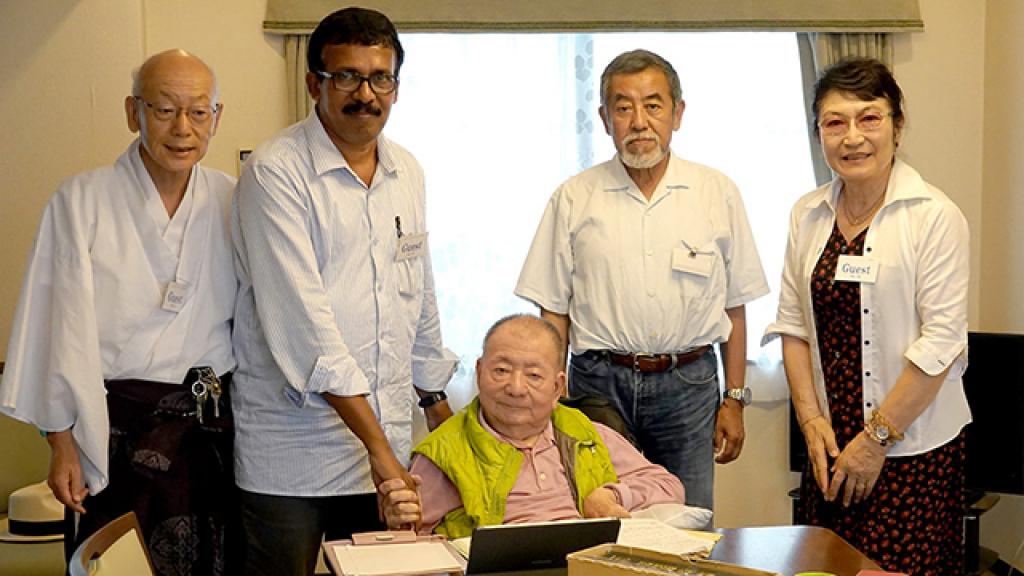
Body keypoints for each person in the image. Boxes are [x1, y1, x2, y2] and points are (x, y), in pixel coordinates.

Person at [230, 7, 456, 575]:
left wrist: (437, 406)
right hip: (294, 457)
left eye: (381, 78)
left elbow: (418, 294)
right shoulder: (275, 172)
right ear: (315, 83)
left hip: (385, 449)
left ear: (397, 88)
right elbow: (308, 332)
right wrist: (380, 451)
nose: (366, 94)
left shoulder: (408, 170)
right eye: (347, 77)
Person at [0, 50, 237, 575]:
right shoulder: (80, 200)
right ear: (133, 112)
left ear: (216, 118)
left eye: (199, 112)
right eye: (164, 110)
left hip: (212, 427)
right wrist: (61, 444)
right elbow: (52, 326)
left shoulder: (231, 198)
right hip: (116, 430)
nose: (182, 128)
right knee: (115, 562)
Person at [515, 49, 769, 511]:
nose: (639, 121)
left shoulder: (716, 192)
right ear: (604, 116)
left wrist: (734, 398)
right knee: (601, 518)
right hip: (597, 384)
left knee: (686, 520)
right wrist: (557, 399)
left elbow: (735, 305)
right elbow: (553, 308)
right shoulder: (574, 198)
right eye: (623, 106)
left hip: (689, 387)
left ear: (678, 113)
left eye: (653, 105)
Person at [763, 58, 970, 576]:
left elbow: (941, 343)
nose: (852, 137)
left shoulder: (934, 217)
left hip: (910, 449)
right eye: (835, 123)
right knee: (828, 569)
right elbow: (792, 325)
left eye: (869, 118)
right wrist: (811, 422)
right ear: (818, 134)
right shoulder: (806, 214)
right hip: (831, 446)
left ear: (898, 127)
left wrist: (875, 440)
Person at [379, 315, 686, 536]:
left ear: (557, 387)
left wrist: (613, 496)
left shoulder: (585, 433)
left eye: (534, 376)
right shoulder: (444, 452)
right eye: (501, 370)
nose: (515, 387)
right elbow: (411, 536)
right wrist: (400, 520)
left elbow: (670, 487)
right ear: (478, 371)